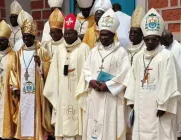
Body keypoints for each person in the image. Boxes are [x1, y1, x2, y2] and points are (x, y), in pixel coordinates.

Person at [124, 8, 181, 140]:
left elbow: (171, 81)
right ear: (144, 39)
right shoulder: (138, 57)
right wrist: (132, 100)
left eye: (154, 39)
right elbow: (132, 79)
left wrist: (163, 105)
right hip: (141, 108)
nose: (150, 42)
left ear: (159, 39)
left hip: (160, 109)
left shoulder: (166, 56)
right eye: (148, 39)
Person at [76, 8, 130, 140]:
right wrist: (91, 81)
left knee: (109, 128)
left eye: (107, 35)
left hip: (111, 97)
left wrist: (109, 85)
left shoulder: (121, 52)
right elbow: (86, 69)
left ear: (113, 35)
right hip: (95, 96)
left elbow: (125, 74)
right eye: (102, 34)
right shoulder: (94, 51)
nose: (104, 37)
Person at [44, 14, 90, 140]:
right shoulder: (59, 50)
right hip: (62, 95)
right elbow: (53, 74)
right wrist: (55, 94)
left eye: (71, 33)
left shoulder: (84, 49)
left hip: (78, 93)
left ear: (76, 33)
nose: (68, 36)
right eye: (66, 34)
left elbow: (88, 73)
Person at [13, 19, 53, 140]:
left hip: (37, 91)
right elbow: (14, 71)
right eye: (24, 37)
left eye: (29, 36)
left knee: (37, 111)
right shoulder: (18, 53)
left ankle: (38, 135)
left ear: (33, 36)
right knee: (24, 112)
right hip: (23, 90)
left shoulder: (41, 51)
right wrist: (15, 87)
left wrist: (40, 63)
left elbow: (50, 68)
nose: (26, 39)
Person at [126, 6, 145, 140]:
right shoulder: (124, 50)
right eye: (131, 32)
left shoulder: (145, 51)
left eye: (136, 32)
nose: (133, 35)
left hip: (139, 93)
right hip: (125, 93)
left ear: (142, 34)